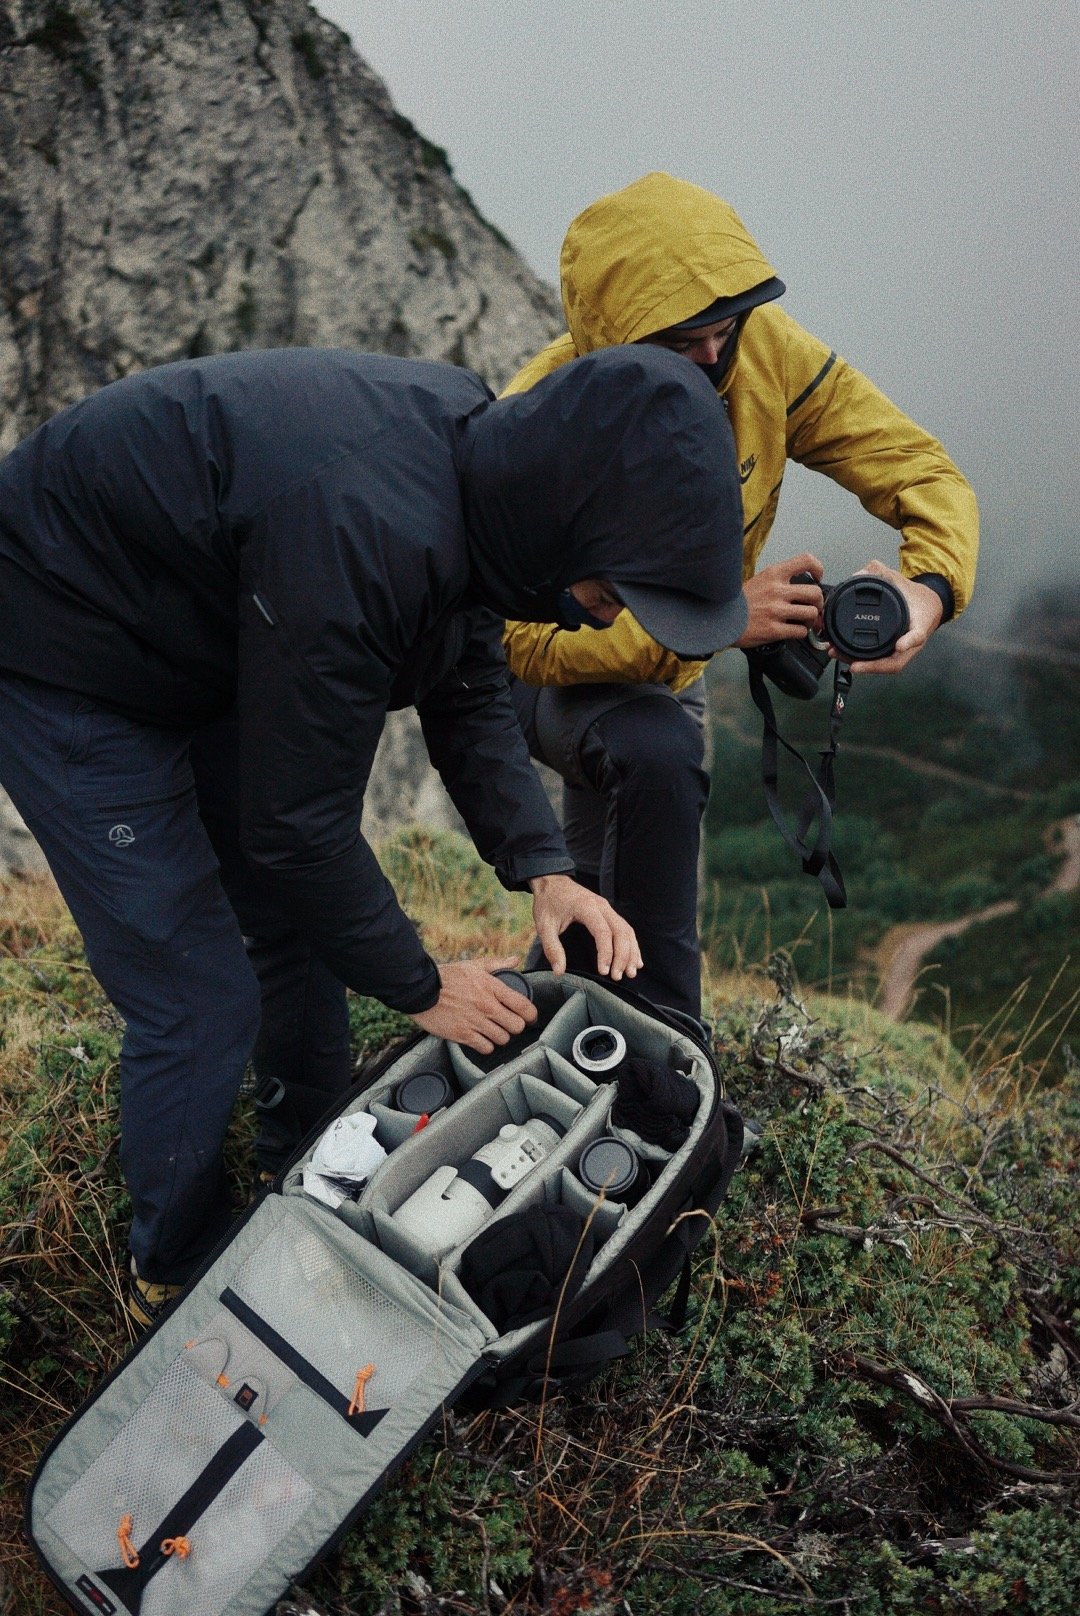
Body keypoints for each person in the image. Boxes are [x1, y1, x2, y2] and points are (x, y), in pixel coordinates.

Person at [0, 342, 748, 1324]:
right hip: (60, 644)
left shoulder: (484, 475)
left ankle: (304, 1153)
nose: (603, 617)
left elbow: (469, 680)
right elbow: (297, 831)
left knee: (293, 920)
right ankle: (175, 1266)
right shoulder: (363, 533)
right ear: (563, 530)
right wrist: (422, 984)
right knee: (199, 997)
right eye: (610, 593)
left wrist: (545, 868)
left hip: (196, 625)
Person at [503, 171, 979, 1024]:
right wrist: (724, 621)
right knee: (656, 761)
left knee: (603, 896)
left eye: (725, 331)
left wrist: (931, 588)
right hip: (546, 674)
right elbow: (521, 641)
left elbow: (918, 468)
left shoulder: (763, 349)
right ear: (614, 340)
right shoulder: (539, 420)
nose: (713, 358)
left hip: (670, 671)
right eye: (686, 341)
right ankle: (675, 1060)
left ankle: (545, 1027)